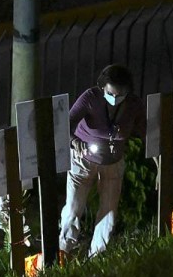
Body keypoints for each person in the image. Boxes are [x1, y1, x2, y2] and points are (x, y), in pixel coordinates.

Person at [59, 64, 146, 257]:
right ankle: (63, 252)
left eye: (120, 94)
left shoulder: (134, 105)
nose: (115, 100)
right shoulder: (90, 98)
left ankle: (97, 256)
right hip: (83, 161)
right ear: (102, 88)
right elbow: (66, 124)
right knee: (73, 209)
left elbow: (145, 131)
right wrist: (74, 142)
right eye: (110, 94)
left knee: (109, 214)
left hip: (113, 163)